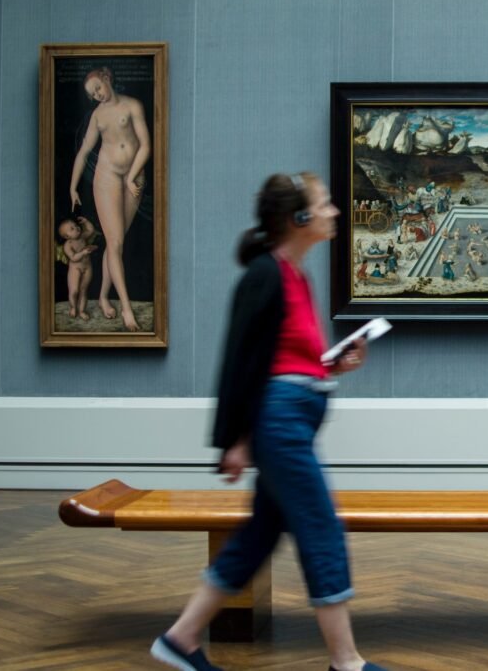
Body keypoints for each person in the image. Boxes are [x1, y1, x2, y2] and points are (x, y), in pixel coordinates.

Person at [150, 172, 386, 671]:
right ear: (298, 219)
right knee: (321, 528)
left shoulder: (297, 275)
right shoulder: (264, 274)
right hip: (279, 425)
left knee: (259, 536)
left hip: (292, 420)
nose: (335, 212)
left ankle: (181, 638)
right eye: (325, 204)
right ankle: (346, 662)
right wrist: (233, 440)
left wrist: (331, 364)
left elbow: (285, 358)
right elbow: (238, 361)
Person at [69, 67, 150, 332]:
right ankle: (126, 308)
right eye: (92, 94)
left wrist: (132, 176)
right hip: (108, 178)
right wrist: (73, 187)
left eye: (98, 88)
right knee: (114, 243)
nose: (97, 95)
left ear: (106, 79)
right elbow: (83, 153)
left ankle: (103, 296)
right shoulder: (97, 116)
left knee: (116, 243)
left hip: (134, 178)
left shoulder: (133, 105)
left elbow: (146, 145)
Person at [57, 216, 98, 320]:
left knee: (83, 290)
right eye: (72, 228)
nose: (76, 228)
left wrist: (86, 221)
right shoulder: (68, 245)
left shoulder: (83, 237)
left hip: (87, 267)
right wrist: (83, 252)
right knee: (74, 291)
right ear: (67, 236)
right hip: (75, 269)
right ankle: (73, 307)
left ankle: (82, 311)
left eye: (75, 225)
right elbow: (73, 258)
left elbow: (91, 230)